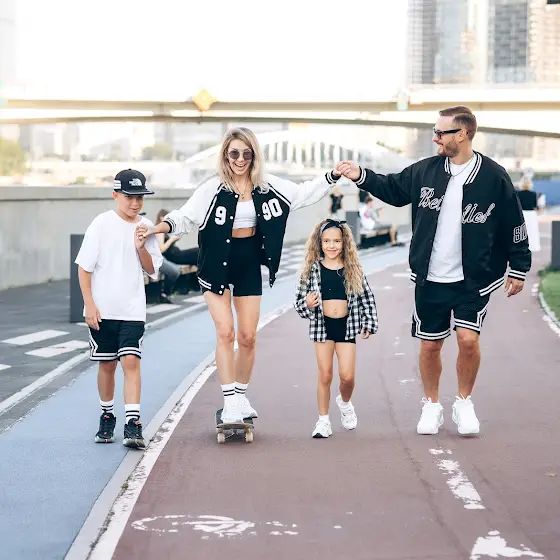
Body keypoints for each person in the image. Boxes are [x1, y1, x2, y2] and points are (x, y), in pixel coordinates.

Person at [336, 106, 531, 437]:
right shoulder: (425, 171)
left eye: (441, 133)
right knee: (430, 345)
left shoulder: (493, 176)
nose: (435, 138)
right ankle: (431, 404)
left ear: (463, 134)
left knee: (467, 339)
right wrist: (360, 175)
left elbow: (514, 221)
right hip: (430, 276)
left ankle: (464, 402)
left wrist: (520, 266)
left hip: (474, 277)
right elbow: (393, 188)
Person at [142, 127, 342, 423]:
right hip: (215, 262)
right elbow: (186, 216)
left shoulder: (267, 186)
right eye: (234, 153)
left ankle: (240, 395)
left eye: (246, 154)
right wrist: (157, 228)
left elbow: (302, 194)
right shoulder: (213, 188)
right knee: (226, 332)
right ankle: (230, 402)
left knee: (248, 337)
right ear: (225, 155)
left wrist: (332, 176)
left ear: (254, 156)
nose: (240, 159)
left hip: (248, 262)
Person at [75, 169, 163, 448]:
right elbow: (84, 268)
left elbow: (152, 270)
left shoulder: (146, 227)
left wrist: (141, 247)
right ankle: (107, 415)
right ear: (116, 195)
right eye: (129, 197)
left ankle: (133, 423)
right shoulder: (101, 224)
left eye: (140, 198)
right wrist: (89, 304)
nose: (135, 203)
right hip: (103, 310)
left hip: (132, 310)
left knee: (131, 361)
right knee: (107, 364)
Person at [294, 219, 378, 438]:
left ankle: (345, 402)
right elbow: (299, 303)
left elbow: (367, 296)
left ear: (344, 243)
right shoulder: (312, 270)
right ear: (320, 243)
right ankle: (323, 421)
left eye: (337, 241)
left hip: (346, 327)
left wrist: (369, 321)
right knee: (325, 374)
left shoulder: (353, 270)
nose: (331, 246)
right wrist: (307, 304)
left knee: (347, 377)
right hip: (322, 328)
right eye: (327, 241)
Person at [516, 177, 544, 253]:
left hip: (521, 214)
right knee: (532, 231)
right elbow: (536, 207)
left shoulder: (517, 193)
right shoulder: (534, 194)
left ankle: (520, 246)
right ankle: (533, 246)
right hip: (531, 214)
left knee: (521, 231)